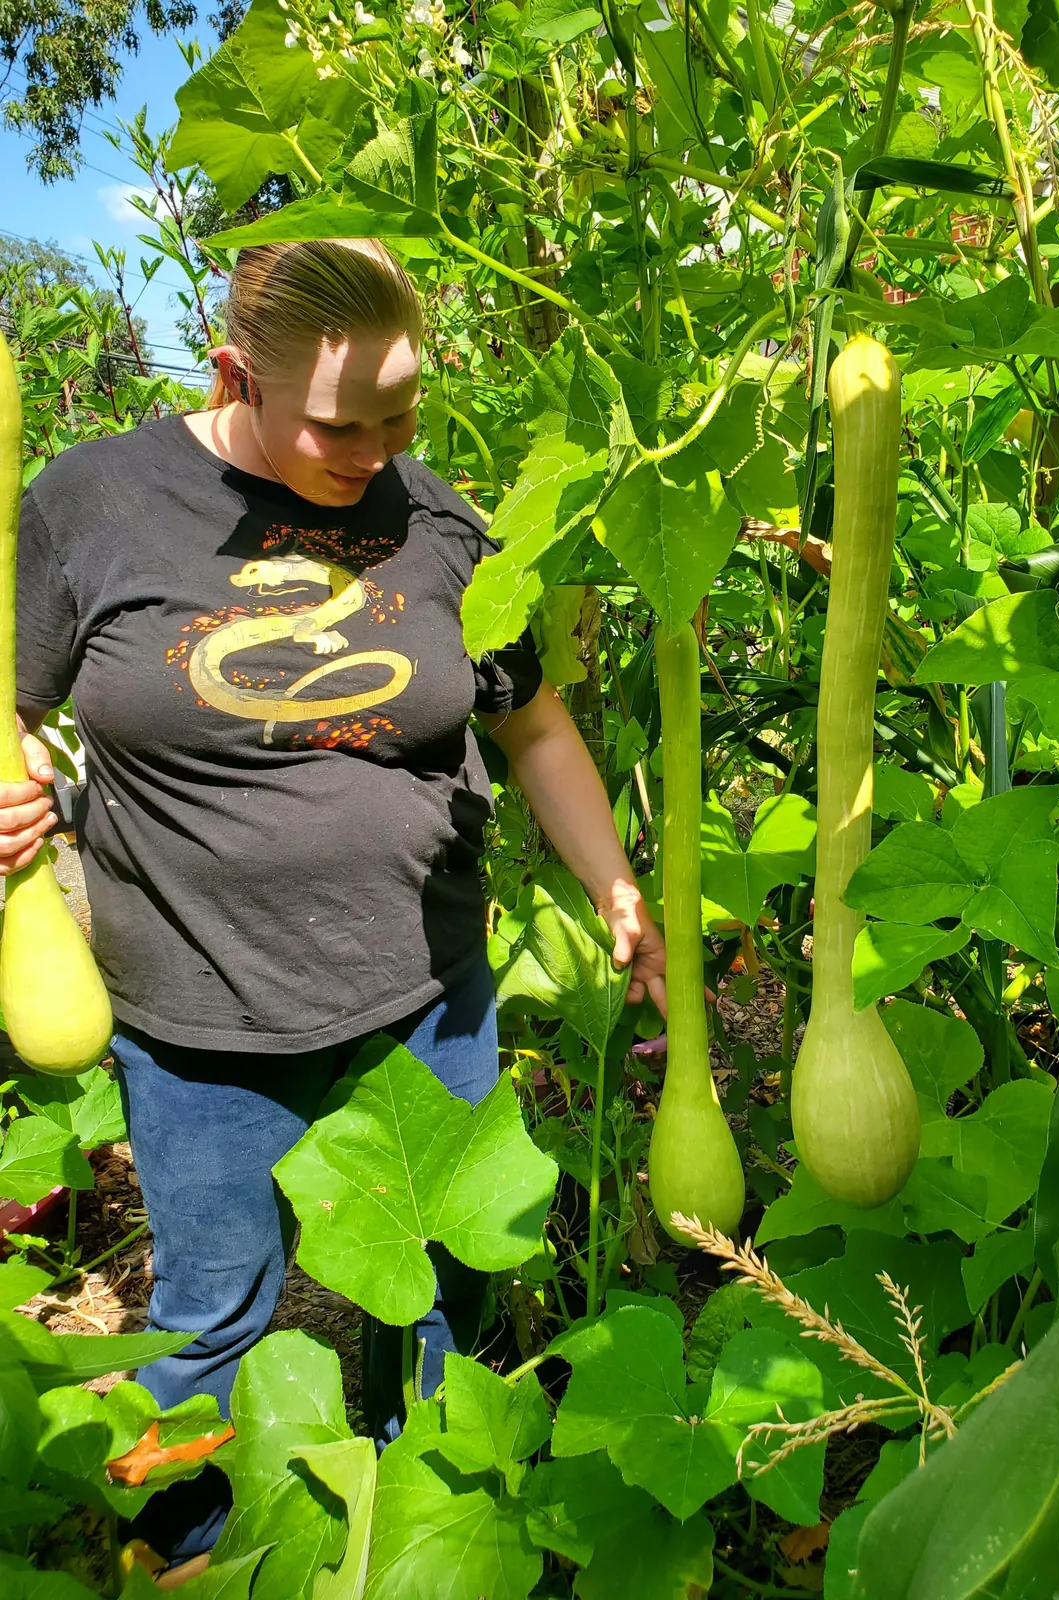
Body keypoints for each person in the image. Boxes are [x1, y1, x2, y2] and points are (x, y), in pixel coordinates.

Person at [5, 237, 665, 1578]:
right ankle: (192, 1553)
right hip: (193, 1009)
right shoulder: (93, 502)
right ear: (234, 373)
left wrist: (616, 882)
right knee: (207, 1317)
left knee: (444, 1287)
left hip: (427, 994)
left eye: (400, 416)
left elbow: (529, 724)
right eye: (335, 424)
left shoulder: (443, 520)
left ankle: (426, 1525)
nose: (372, 451)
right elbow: (15, 698)